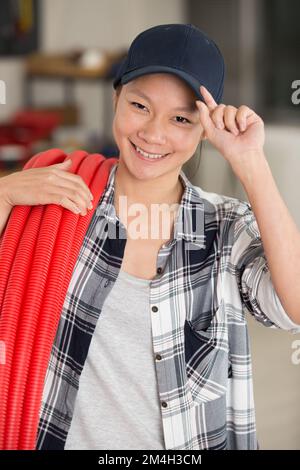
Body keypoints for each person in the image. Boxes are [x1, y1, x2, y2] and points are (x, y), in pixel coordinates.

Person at [0, 23, 300, 450]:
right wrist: (5, 192)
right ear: (116, 98)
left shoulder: (225, 225)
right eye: (140, 106)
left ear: (204, 131)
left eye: (181, 119)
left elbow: (295, 308)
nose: (154, 133)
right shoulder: (60, 197)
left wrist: (252, 163)